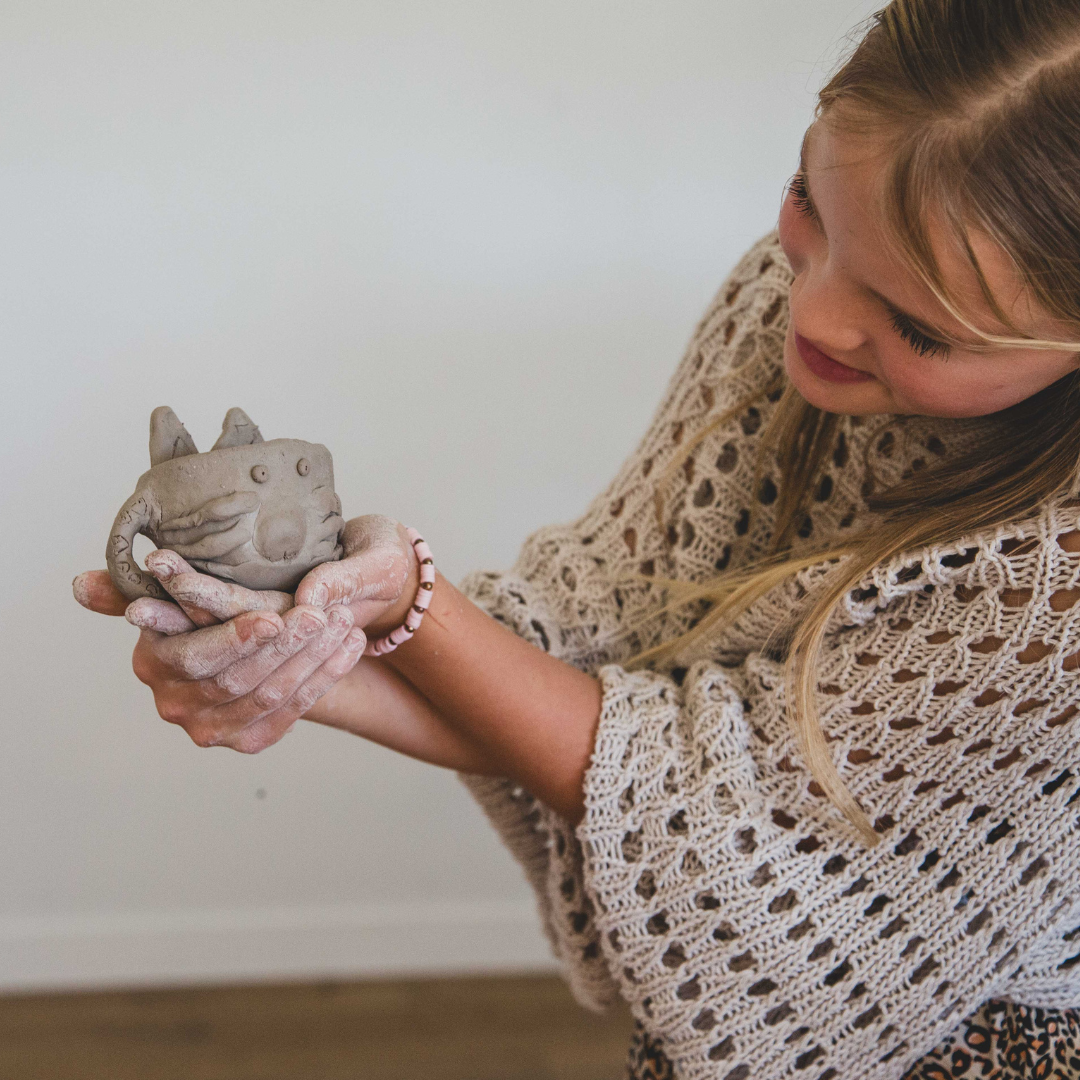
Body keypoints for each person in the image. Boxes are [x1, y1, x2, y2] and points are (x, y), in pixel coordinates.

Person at [74, 1, 1080, 1075]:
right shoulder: (790, 302)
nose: (818, 314)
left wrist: (410, 599)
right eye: (807, 204)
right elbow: (594, 647)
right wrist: (313, 654)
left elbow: (727, 818)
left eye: (919, 326)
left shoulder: (1056, 585)